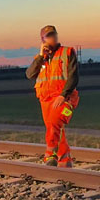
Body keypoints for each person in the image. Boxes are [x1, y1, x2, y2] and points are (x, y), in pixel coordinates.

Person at [26, 25, 80, 167]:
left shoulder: (67, 52)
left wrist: (63, 95)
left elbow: (73, 76)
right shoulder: (41, 58)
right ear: (43, 40)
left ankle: (50, 155)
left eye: (54, 34)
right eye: (49, 36)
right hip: (46, 100)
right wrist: (40, 56)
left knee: (55, 123)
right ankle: (65, 160)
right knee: (54, 128)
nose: (53, 37)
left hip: (66, 99)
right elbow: (30, 75)